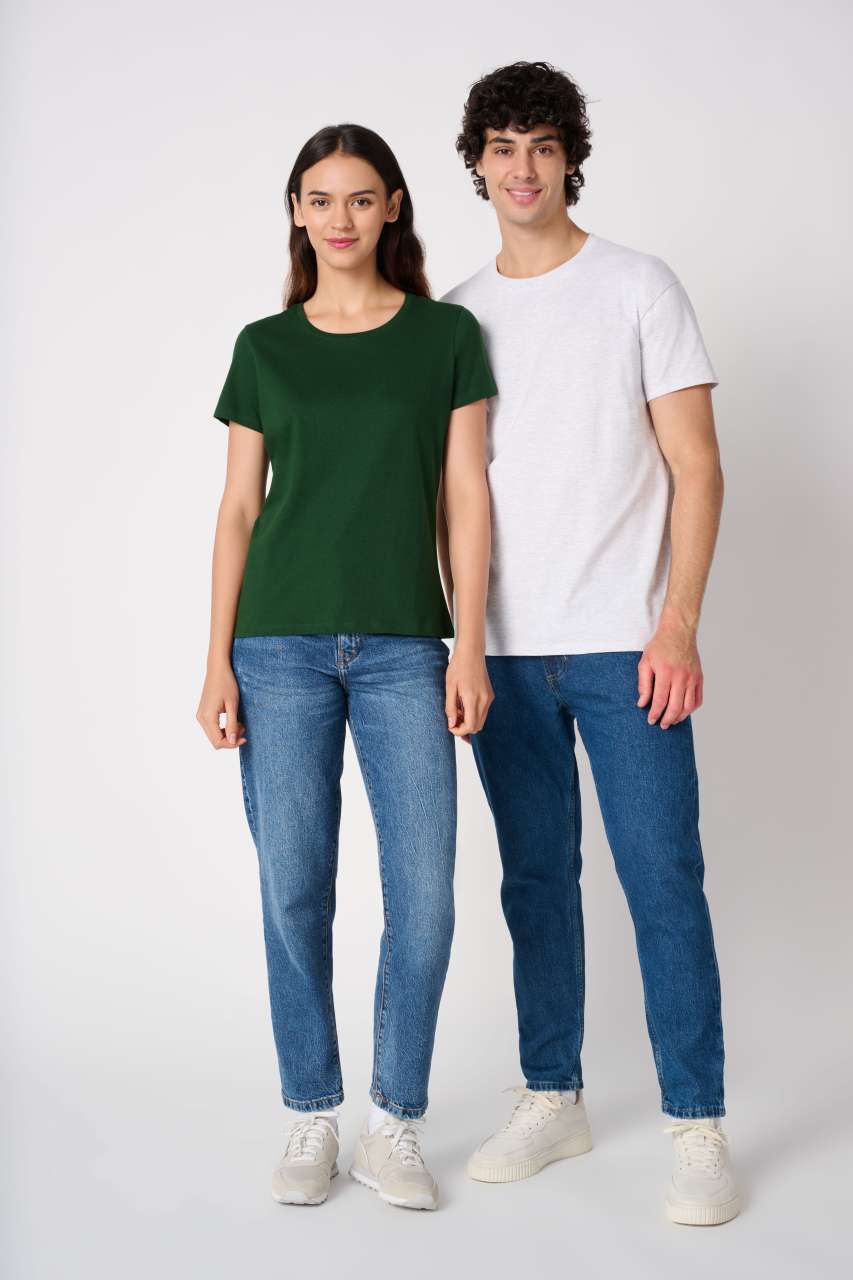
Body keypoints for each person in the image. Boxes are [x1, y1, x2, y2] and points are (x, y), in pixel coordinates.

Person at [440, 61, 739, 1225]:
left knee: (662, 876)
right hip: (505, 649)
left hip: (627, 642)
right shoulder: (456, 313)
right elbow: (454, 493)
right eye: (502, 146)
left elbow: (696, 465)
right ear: (476, 164)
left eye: (542, 144)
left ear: (570, 158)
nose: (522, 167)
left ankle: (697, 1124)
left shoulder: (636, 286)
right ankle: (551, 1093)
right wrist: (464, 641)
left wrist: (677, 621)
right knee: (533, 880)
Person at [197, 123, 496, 1212]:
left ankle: (394, 1121)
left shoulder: (445, 335)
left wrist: (469, 640)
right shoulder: (265, 347)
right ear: (296, 211)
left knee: (425, 898)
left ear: (394, 207)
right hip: (275, 646)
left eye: (360, 198)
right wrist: (215, 660)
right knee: (293, 888)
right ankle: (313, 1110)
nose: (340, 218)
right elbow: (239, 508)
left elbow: (464, 495)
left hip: (406, 647)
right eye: (319, 200)